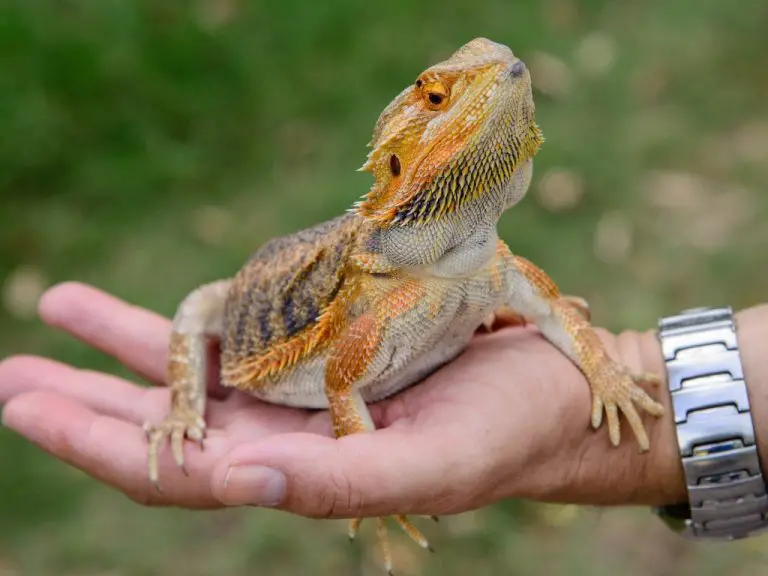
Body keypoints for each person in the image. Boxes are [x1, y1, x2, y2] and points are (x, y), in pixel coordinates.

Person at [0, 281, 766, 523]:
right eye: (438, 94)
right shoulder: (384, 283)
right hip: (265, 339)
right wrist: (183, 393)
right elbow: (342, 381)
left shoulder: (482, 259)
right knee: (208, 304)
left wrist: (614, 368)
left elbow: (551, 310)